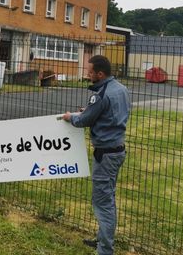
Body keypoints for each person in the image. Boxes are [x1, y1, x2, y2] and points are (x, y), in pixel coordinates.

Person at [62, 55, 130, 255]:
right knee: (108, 196)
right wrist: (90, 111)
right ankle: (103, 239)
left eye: (90, 72)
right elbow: (109, 113)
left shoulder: (100, 94)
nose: (87, 74)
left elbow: (83, 120)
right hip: (118, 150)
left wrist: (70, 117)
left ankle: (105, 249)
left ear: (100, 74)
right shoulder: (121, 89)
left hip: (105, 154)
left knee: (103, 202)